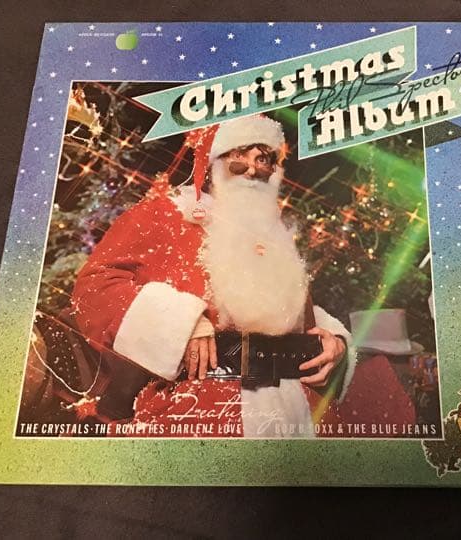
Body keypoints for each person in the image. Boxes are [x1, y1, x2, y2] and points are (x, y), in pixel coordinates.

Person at [71, 114, 355, 437]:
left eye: (262, 159)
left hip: (298, 415)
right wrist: (182, 323)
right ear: (211, 162)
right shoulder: (165, 214)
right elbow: (93, 288)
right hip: (202, 415)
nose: (252, 169)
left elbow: (295, 320)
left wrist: (335, 345)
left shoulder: (276, 236)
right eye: (239, 155)